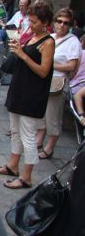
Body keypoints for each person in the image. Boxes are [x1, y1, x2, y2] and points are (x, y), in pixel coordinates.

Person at [0, 0, 54, 189]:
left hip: (32, 94)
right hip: (19, 89)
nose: (31, 25)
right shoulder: (31, 36)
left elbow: (44, 71)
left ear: (45, 22)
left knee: (28, 136)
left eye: (35, 22)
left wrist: (23, 54)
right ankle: (13, 165)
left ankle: (27, 176)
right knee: (15, 131)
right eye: (30, 21)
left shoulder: (48, 41)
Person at [37, 8, 80, 160]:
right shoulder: (51, 37)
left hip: (57, 81)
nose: (61, 25)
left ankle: (50, 147)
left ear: (71, 25)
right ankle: (39, 141)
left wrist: (50, 65)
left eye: (66, 23)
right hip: (44, 79)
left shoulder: (73, 42)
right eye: (59, 21)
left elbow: (71, 66)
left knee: (53, 116)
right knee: (41, 113)